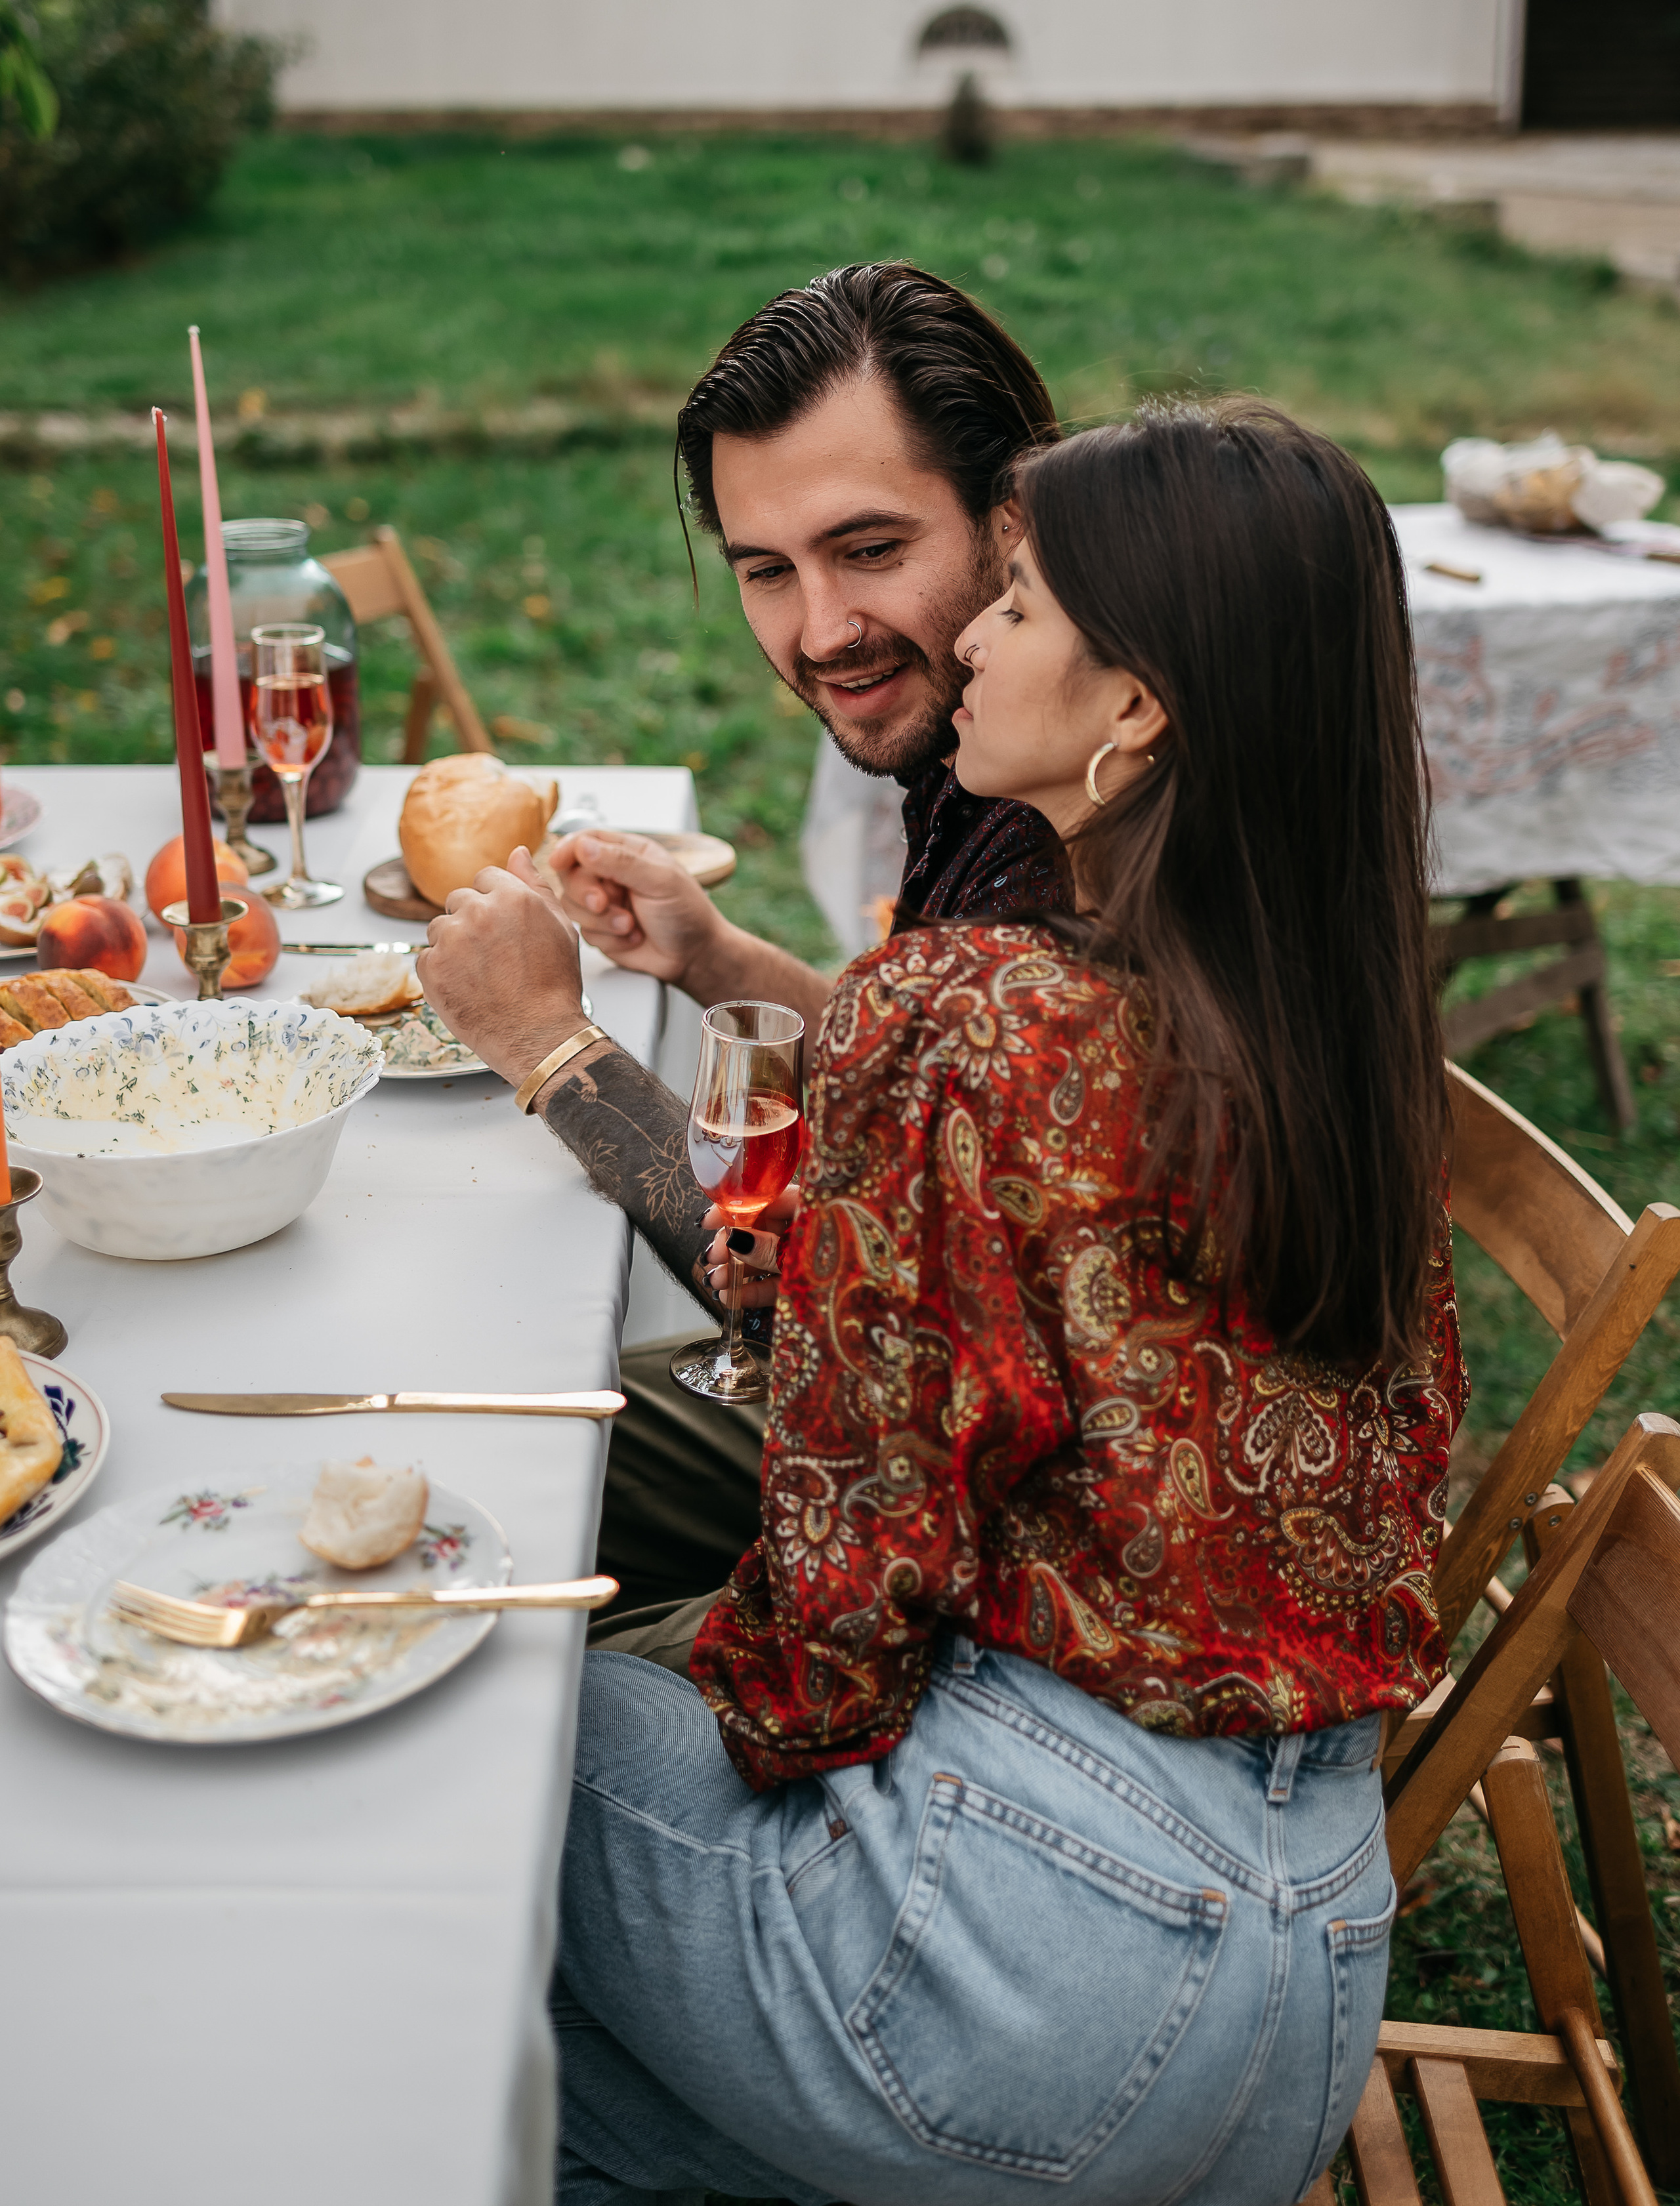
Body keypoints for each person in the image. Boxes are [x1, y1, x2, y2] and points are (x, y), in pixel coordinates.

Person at [533, 399, 1465, 2206]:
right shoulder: (1329, 1027)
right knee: (571, 2102)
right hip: (1308, 1974)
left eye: (1017, 600)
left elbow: (827, 1615)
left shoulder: (965, 1008)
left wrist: (719, 1697)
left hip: (1031, 1967)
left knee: (511, 1740)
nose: (968, 634)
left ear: (1138, 709)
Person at [420, 263, 1070, 1619]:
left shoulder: (1064, 840)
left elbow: (825, 1320)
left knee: (490, 1497)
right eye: (766, 572)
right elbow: (931, 1082)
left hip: (987, 1542)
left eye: (871, 550)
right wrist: (713, 955)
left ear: (1012, 521)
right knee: (481, 1408)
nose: (821, 632)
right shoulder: (978, 756)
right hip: (941, 1429)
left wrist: (552, 1049)